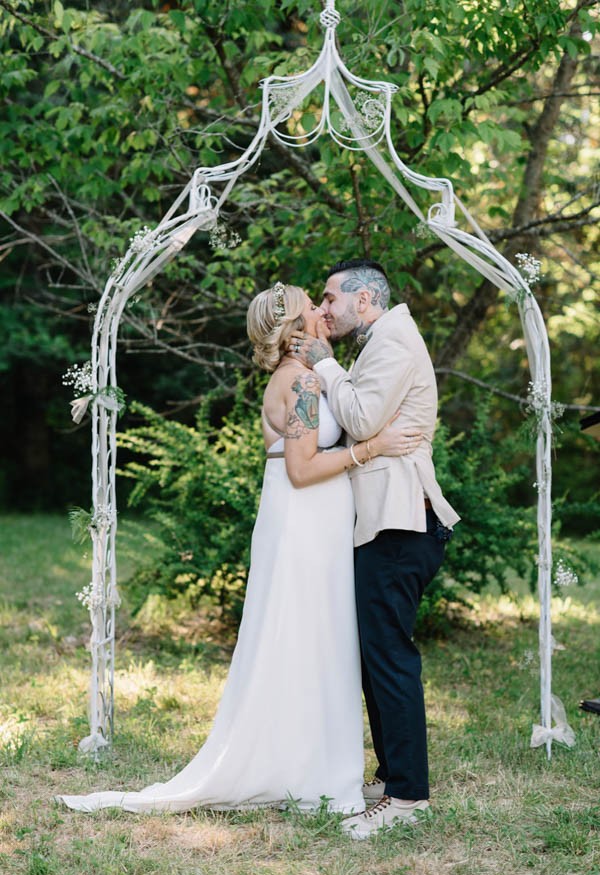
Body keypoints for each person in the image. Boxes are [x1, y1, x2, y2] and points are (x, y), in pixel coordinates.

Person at [57, 282, 423, 815]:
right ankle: (305, 768)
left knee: (317, 639)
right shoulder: (299, 382)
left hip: (313, 522)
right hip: (304, 521)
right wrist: (371, 448)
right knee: (305, 637)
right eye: (313, 306)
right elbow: (300, 470)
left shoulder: (303, 377)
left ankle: (310, 762)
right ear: (297, 327)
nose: (324, 311)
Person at [290, 260, 460, 839]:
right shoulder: (381, 340)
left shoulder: (394, 341)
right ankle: (392, 780)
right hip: (383, 522)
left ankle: (409, 798)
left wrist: (325, 365)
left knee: (389, 657)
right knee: (374, 654)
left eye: (331, 296)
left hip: (403, 521)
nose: (325, 306)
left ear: (364, 299)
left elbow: (361, 418)